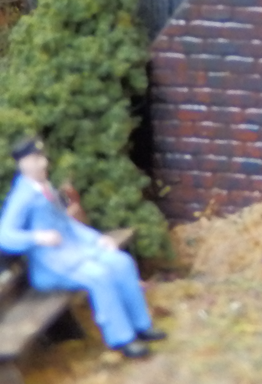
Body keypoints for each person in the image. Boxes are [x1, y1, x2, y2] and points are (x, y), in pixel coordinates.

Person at [0, 137, 165, 358]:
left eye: (42, 157)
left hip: (74, 252)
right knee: (99, 275)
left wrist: (96, 239)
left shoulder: (45, 187)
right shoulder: (22, 196)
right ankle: (121, 338)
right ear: (23, 164)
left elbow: (67, 224)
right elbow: (5, 235)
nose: (43, 163)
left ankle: (141, 325)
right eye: (36, 159)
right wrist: (36, 237)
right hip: (51, 266)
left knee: (121, 262)